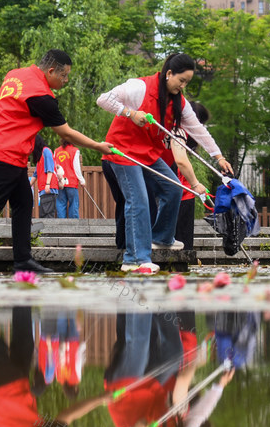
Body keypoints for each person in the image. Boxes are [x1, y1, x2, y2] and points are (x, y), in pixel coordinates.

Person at [0, 50, 113, 275]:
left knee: (23, 203)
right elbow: (65, 132)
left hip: (3, 146)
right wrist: (97, 145)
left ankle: (23, 260)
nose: (65, 81)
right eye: (64, 76)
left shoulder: (17, 74)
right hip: (5, 150)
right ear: (51, 71)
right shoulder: (41, 96)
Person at [96, 53, 231, 275]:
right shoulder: (139, 87)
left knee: (173, 188)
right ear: (169, 74)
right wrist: (130, 113)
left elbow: (198, 129)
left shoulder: (179, 102)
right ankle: (134, 259)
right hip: (123, 151)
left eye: (187, 82)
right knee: (138, 200)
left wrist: (218, 157)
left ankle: (161, 237)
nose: (183, 86)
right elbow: (103, 99)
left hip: (147, 153)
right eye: (182, 80)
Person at [100, 311, 232, 427]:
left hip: (124, 394)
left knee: (139, 343)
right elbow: (200, 415)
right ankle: (162, 302)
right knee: (174, 354)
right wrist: (220, 387)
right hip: (150, 389)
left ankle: (136, 290)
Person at [164, 101, 212, 251]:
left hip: (186, 193)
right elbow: (180, 162)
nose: (201, 128)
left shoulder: (183, 136)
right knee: (179, 243)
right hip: (178, 192)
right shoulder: (177, 132)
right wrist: (195, 184)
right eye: (200, 123)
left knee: (184, 244)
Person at [53, 138, 85, 219]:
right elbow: (76, 167)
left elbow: (54, 167)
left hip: (60, 182)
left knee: (60, 204)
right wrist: (81, 180)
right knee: (73, 204)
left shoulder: (56, 151)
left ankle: (61, 227)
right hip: (71, 181)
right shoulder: (75, 151)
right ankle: (74, 227)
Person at [30, 134, 58, 219]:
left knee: (47, 214)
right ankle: (45, 232)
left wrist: (48, 184)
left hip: (49, 188)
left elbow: (50, 169)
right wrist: (29, 185)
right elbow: (36, 174)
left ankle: (48, 232)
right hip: (43, 189)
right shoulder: (40, 156)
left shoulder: (46, 151)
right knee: (43, 214)